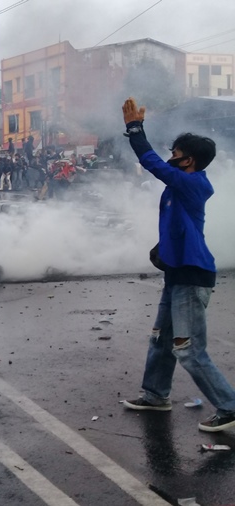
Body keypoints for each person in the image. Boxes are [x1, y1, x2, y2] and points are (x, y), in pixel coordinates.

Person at [120, 97, 235, 432]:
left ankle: (229, 406)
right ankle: (156, 394)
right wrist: (163, 249)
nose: (171, 157)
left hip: (192, 275)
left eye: (176, 153)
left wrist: (135, 130)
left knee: (189, 350)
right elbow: (178, 225)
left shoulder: (193, 182)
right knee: (161, 340)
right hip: (176, 274)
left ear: (190, 160)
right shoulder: (177, 187)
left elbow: (154, 163)